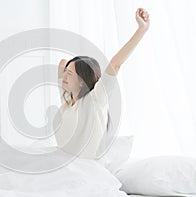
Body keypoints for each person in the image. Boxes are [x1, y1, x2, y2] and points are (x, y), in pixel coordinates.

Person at [54, 8, 150, 159]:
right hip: (66, 168)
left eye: (69, 74)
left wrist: (142, 29)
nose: (64, 76)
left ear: (81, 82)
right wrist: (73, 67)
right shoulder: (67, 100)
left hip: (87, 172)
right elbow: (62, 63)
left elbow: (116, 64)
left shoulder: (95, 100)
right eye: (65, 72)